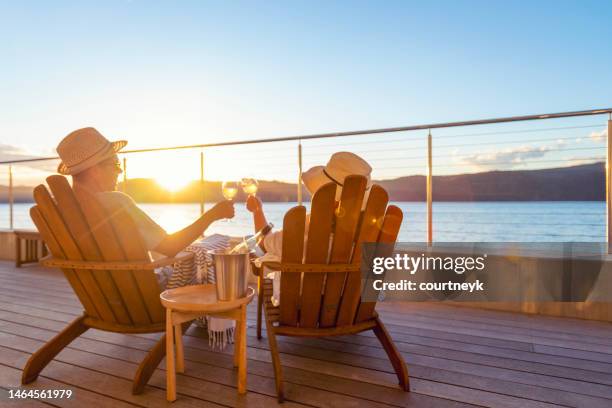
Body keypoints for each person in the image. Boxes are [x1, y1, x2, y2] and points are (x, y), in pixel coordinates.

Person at [56, 127, 235, 259]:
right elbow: (170, 247)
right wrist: (212, 215)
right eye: (116, 165)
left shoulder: (62, 211)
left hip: (101, 298)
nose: (120, 172)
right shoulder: (115, 203)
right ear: (95, 170)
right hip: (148, 297)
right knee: (213, 253)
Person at [246, 151, 373, 258]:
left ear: (330, 201)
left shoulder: (304, 236)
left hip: (296, 288)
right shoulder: (370, 241)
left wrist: (257, 211)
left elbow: (264, 245)